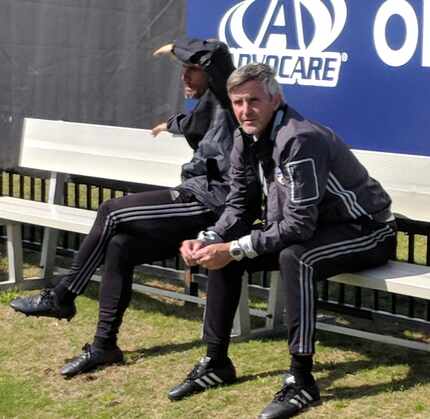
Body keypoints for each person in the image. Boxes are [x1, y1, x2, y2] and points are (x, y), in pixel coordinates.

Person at [168, 63, 397, 419]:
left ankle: (302, 380)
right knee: (225, 255)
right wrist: (209, 239)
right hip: (318, 228)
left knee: (294, 257)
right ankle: (216, 361)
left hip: (367, 230)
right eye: (238, 102)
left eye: (254, 100)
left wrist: (232, 247)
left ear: (276, 98)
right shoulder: (244, 135)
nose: (245, 110)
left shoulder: (299, 138)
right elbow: (240, 203)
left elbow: (298, 227)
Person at [9, 38, 241, 378]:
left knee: (112, 211)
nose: (184, 77)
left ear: (210, 73)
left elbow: (215, 57)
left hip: (211, 205)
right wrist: (171, 125)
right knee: (120, 246)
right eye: (182, 70)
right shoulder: (212, 106)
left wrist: (178, 47)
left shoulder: (230, 97)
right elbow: (195, 124)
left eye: (192, 69)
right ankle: (105, 346)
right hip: (193, 197)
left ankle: (62, 295)